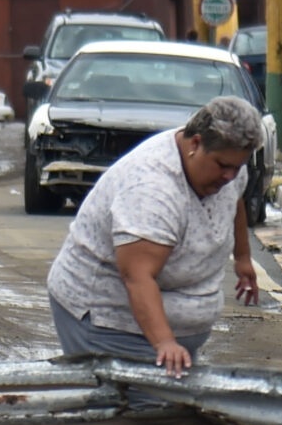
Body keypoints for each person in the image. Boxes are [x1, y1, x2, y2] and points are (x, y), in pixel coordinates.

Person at [45, 95, 264, 375]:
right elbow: (137, 277)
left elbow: (235, 201)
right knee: (139, 412)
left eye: (238, 166)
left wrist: (243, 258)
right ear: (195, 143)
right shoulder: (152, 189)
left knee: (167, 409)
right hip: (110, 321)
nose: (230, 176)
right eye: (223, 166)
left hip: (172, 327)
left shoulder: (227, 168)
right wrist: (165, 343)